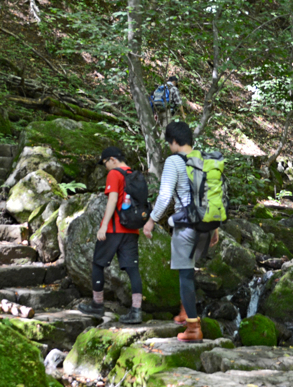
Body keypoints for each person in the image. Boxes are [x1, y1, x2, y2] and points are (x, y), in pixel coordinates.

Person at [142, 121, 218, 341]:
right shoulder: (203, 159)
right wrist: (215, 228)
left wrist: (151, 221)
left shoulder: (173, 161)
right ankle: (186, 312)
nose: (169, 146)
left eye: (169, 143)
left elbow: (165, 195)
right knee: (190, 270)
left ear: (174, 141)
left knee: (185, 274)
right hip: (205, 226)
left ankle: (193, 328)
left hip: (186, 225)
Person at [78, 147, 146, 323]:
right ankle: (136, 311)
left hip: (114, 228)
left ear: (112, 159)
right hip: (132, 229)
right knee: (132, 269)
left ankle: (97, 305)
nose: (105, 167)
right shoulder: (134, 174)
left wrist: (104, 226)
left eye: (105, 163)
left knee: (98, 264)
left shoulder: (115, 174)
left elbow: (113, 200)